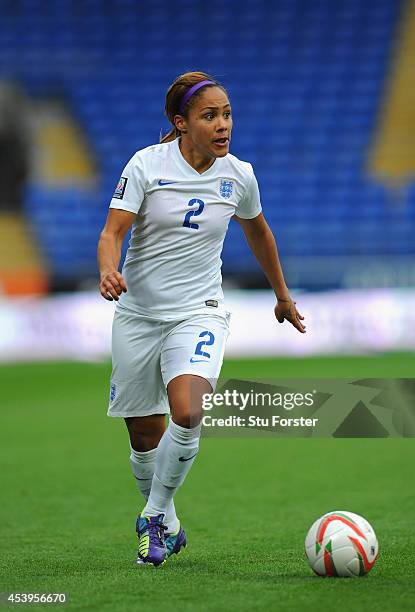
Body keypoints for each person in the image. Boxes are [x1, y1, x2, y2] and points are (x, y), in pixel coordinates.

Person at [97, 71, 306, 567]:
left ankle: (152, 517)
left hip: (200, 311)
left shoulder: (239, 174)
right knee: (144, 435)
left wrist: (282, 295)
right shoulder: (147, 165)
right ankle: (167, 519)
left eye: (227, 114)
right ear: (181, 122)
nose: (223, 124)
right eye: (210, 115)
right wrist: (108, 269)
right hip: (139, 315)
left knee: (188, 410)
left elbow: (259, 233)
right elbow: (113, 232)